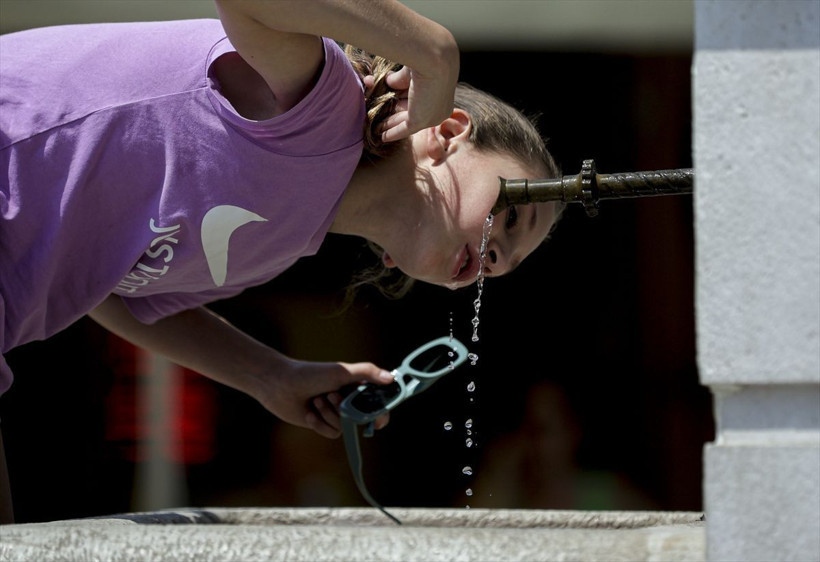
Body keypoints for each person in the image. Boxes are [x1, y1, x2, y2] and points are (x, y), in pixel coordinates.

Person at [0, 0, 561, 521]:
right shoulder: (321, 108)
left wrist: (271, 376)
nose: (493, 255)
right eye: (510, 215)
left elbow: (112, 293)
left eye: (502, 260)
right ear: (449, 133)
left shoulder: (278, 248)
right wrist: (434, 51)